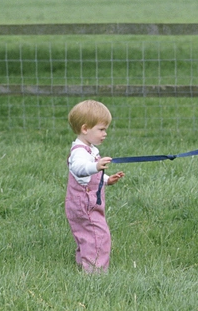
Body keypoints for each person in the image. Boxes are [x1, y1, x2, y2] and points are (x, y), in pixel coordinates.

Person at [65, 99, 125, 273]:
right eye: (101, 129)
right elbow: (79, 169)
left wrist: (106, 179)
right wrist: (96, 166)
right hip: (85, 203)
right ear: (85, 129)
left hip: (86, 201)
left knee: (86, 234)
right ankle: (95, 273)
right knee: (98, 235)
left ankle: (82, 263)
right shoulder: (79, 152)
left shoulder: (89, 149)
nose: (105, 133)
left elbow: (90, 175)